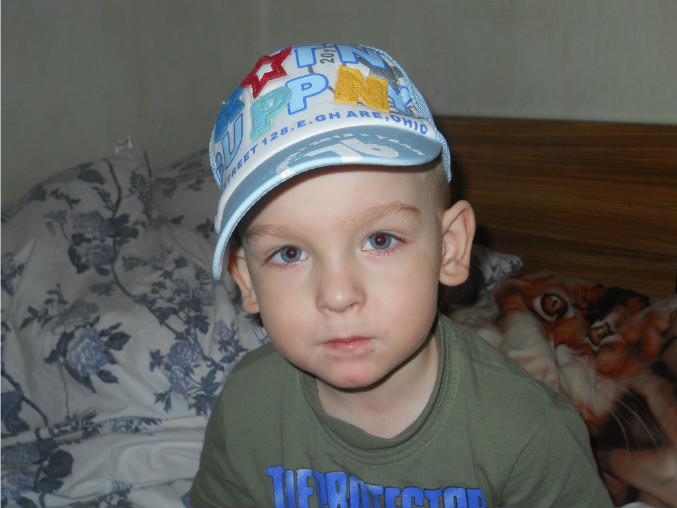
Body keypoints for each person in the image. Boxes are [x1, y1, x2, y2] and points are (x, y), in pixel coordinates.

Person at [189, 43, 613, 508]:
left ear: (449, 249)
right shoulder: (247, 406)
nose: (337, 295)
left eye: (380, 240)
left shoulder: (527, 432)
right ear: (247, 281)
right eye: (289, 253)